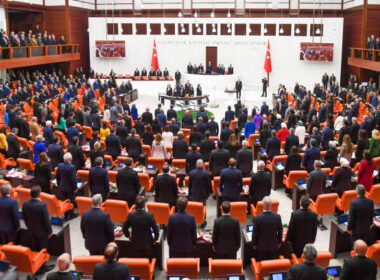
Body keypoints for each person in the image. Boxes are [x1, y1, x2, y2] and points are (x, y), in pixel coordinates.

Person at [22, 186, 52, 251]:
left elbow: (24, 217)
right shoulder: (42, 205)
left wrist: (28, 226)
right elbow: (46, 220)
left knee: (34, 248)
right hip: (42, 231)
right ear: (39, 194)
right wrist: (49, 231)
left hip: (31, 229)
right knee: (42, 249)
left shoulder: (25, 204)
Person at [252, 196, 283, 261]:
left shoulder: (257, 218)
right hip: (274, 245)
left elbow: (255, 233)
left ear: (263, 205)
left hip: (261, 246)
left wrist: (254, 244)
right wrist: (279, 242)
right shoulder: (277, 217)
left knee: (262, 265)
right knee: (272, 266)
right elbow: (280, 231)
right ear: (271, 205)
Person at [56, 153, 78, 219]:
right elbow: (73, 179)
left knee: (64, 200)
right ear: (70, 159)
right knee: (71, 201)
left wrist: (59, 184)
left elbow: (57, 176)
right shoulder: (72, 167)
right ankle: (71, 215)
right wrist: (75, 188)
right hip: (70, 187)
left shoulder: (60, 165)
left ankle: (66, 214)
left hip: (62, 186)